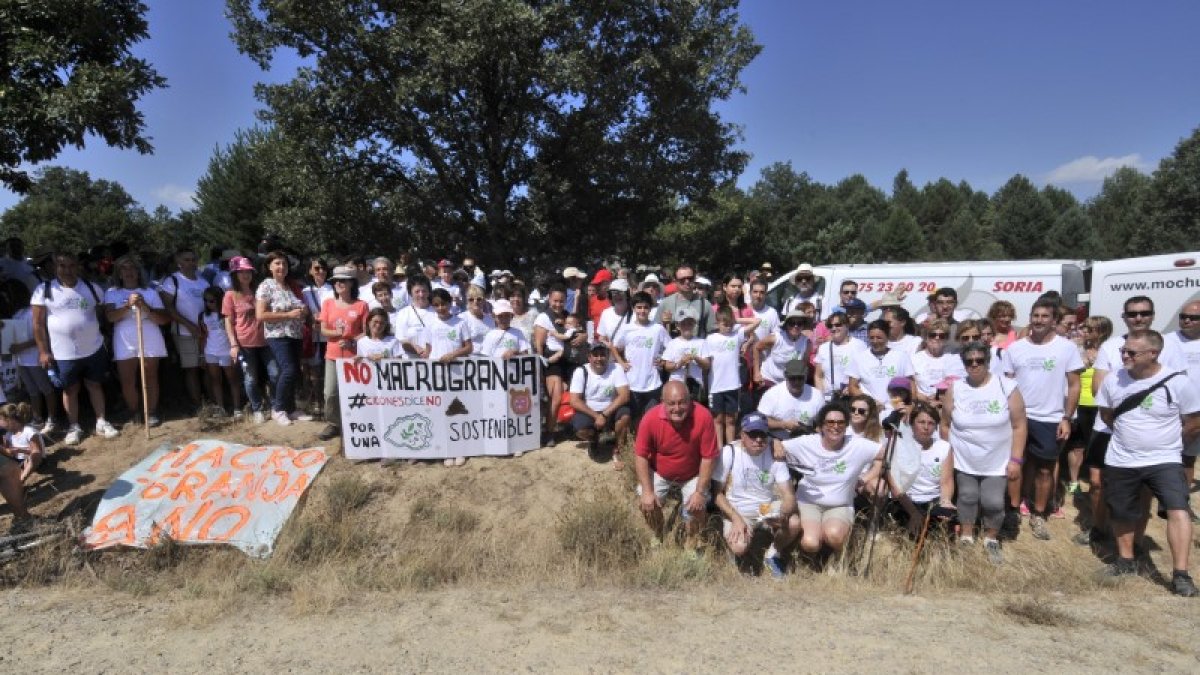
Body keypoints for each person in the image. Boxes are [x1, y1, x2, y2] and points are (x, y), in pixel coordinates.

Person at [1096, 329, 1199, 597]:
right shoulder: (1113, 380)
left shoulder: (1178, 382)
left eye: (1131, 353)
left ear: (1153, 353)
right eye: (1123, 351)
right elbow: (1106, 414)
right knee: (1121, 511)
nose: (1124, 357)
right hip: (1121, 459)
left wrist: (1170, 443)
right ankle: (1126, 560)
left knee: (1178, 509)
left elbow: (1194, 421)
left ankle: (1181, 575)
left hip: (1165, 460)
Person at [1000, 298, 1084, 541]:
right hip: (1018, 418)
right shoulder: (1015, 349)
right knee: (1014, 466)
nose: (1039, 320)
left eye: (1045, 316)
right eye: (1035, 315)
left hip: (1051, 418)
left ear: (1054, 320)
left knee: (1045, 470)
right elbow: (1006, 384)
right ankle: (1013, 510)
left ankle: (1038, 514)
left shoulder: (1066, 348)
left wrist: (1066, 417)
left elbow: (1074, 385)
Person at [943, 342, 1026, 563]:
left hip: (997, 460)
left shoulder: (1006, 386)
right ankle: (966, 536)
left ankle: (991, 538)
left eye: (979, 360)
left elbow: (1019, 426)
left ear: (988, 362)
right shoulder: (956, 388)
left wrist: (1016, 459)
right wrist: (947, 455)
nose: (974, 365)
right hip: (964, 458)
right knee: (967, 497)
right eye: (969, 361)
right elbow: (945, 424)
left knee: (993, 502)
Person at [31, 252, 120, 445]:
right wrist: (43, 351)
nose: (67, 270)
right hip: (63, 353)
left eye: (72, 265)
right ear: (55, 267)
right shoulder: (43, 290)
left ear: (78, 266)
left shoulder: (92, 288)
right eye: (62, 266)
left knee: (95, 385)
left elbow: (101, 314)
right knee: (70, 390)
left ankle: (101, 421)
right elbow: (37, 324)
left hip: (93, 348)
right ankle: (74, 427)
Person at [777, 402, 884, 559]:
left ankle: (838, 557)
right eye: (830, 422)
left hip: (840, 505)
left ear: (846, 426)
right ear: (821, 426)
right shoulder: (807, 442)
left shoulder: (856, 444)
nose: (836, 426)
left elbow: (885, 456)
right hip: (808, 502)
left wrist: (865, 478)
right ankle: (810, 552)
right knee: (810, 543)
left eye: (840, 422)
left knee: (834, 535)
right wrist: (775, 443)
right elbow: (777, 446)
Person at [634, 380, 719, 550]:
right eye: (671, 403)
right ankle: (658, 532)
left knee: (697, 507)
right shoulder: (650, 418)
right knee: (648, 504)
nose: (677, 408)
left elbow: (708, 457)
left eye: (682, 402)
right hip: (660, 471)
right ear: (662, 402)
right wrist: (648, 491)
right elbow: (641, 455)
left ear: (690, 400)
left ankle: (692, 541)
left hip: (693, 473)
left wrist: (699, 492)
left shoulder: (703, 416)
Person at [713, 412, 800, 577]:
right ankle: (737, 554)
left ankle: (773, 553)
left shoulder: (774, 454)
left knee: (793, 523)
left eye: (762, 434)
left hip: (765, 507)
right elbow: (717, 493)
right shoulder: (729, 452)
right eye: (753, 434)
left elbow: (788, 494)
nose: (758, 439)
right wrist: (736, 518)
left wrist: (784, 513)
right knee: (739, 547)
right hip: (738, 509)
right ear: (742, 435)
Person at [103, 255, 171, 427]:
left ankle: (151, 412)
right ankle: (134, 412)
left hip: (149, 335)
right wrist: (127, 305)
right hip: (124, 338)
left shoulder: (150, 292)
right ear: (118, 273)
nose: (129, 272)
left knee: (150, 376)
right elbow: (110, 318)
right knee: (127, 379)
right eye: (124, 268)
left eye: (132, 268)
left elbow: (163, 319)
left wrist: (145, 307)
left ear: (139, 272)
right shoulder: (112, 293)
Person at [255, 251, 312, 427]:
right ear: (269, 267)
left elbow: (301, 309)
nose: (282, 267)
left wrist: (303, 311)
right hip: (278, 335)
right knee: (289, 370)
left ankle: (290, 408)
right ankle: (278, 409)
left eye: (284, 264)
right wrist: (288, 314)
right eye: (277, 263)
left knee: (294, 372)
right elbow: (260, 315)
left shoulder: (290, 286)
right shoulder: (266, 286)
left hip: (295, 334)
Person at [317, 265, 368, 441]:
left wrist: (352, 341)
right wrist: (336, 333)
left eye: (343, 280)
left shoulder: (362, 305)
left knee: (355, 392)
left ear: (352, 283)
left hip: (355, 358)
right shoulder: (328, 303)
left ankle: (355, 422)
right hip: (332, 356)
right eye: (336, 281)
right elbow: (323, 329)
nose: (339, 283)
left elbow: (366, 332)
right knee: (330, 393)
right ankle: (334, 424)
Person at [893, 402, 956, 537]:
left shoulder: (943, 447)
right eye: (921, 422)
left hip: (933, 500)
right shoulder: (900, 446)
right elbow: (897, 486)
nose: (926, 427)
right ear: (912, 424)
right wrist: (913, 513)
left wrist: (945, 501)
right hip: (907, 500)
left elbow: (946, 481)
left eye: (931, 423)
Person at [425, 288, 473, 466]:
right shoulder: (430, 324)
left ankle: (459, 448)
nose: (440, 308)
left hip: (457, 372)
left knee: (457, 410)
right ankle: (446, 449)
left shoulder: (460, 323)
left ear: (450, 303)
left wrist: (453, 355)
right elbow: (429, 350)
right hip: (437, 374)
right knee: (440, 411)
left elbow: (469, 347)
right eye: (436, 305)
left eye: (443, 304)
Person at [159, 247, 209, 412]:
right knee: (191, 368)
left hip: (205, 333)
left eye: (193, 259)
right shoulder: (172, 281)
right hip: (184, 332)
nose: (191, 263)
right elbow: (168, 307)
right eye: (186, 260)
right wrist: (188, 325)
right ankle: (198, 405)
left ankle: (212, 402)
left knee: (208, 366)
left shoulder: (203, 282)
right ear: (178, 262)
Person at [223, 256, 273, 424]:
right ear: (234, 275)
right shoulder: (230, 295)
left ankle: (275, 406)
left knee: (275, 373)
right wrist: (233, 344)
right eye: (241, 272)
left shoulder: (259, 291)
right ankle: (257, 408)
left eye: (248, 271)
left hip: (266, 340)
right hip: (245, 343)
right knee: (250, 378)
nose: (246, 275)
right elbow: (228, 321)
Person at [534, 284, 584, 447]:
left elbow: (581, 330)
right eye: (555, 301)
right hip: (551, 360)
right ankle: (549, 432)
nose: (558, 304)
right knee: (555, 397)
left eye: (561, 301)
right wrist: (542, 367)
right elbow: (539, 345)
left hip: (569, 360)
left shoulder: (568, 316)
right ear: (549, 299)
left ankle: (573, 426)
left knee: (575, 394)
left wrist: (583, 336)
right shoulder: (543, 318)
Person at [569, 342, 632, 466]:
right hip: (590, 411)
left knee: (625, 416)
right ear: (589, 357)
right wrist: (596, 416)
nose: (599, 358)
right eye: (595, 355)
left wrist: (604, 415)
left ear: (608, 356)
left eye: (602, 355)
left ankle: (618, 449)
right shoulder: (581, 371)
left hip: (611, 409)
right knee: (580, 429)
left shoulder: (616, 368)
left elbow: (624, 395)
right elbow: (574, 401)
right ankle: (594, 440)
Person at [8, 288, 61, 433]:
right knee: (32, 391)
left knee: (46, 389)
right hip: (21, 359)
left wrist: (21, 346)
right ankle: (37, 419)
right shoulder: (17, 314)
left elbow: (41, 336)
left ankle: (52, 419)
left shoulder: (33, 312)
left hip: (35, 358)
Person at [705, 306, 760, 446]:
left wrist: (736, 320)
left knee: (731, 420)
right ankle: (719, 448)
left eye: (730, 324)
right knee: (717, 419)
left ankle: (730, 447)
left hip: (733, 385)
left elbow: (757, 321)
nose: (728, 327)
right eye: (725, 324)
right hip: (715, 386)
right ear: (717, 323)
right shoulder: (710, 338)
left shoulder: (737, 335)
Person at [612, 292, 670, 423]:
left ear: (650, 309)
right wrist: (621, 362)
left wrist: (663, 360)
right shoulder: (626, 329)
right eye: (639, 307)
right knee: (633, 418)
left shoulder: (658, 329)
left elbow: (671, 347)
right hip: (632, 382)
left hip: (653, 382)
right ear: (633, 308)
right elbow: (614, 347)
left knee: (652, 419)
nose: (642, 311)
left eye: (645, 307)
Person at [1163, 300, 1200, 494]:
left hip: (1197, 410)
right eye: (1183, 317)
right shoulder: (1167, 341)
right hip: (1173, 407)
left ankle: (1182, 497)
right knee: (1171, 454)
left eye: (1193, 318)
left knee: (1189, 457)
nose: (1187, 321)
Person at [847, 319, 914, 416]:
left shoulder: (901, 356)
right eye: (871, 338)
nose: (875, 341)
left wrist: (911, 405)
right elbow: (852, 387)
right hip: (869, 411)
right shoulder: (859, 358)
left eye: (879, 338)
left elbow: (911, 384)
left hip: (896, 411)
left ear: (887, 336)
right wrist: (871, 402)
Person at [198, 286, 241, 419]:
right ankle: (220, 408)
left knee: (232, 379)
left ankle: (237, 408)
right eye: (206, 300)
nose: (208, 304)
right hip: (211, 351)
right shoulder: (203, 316)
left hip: (226, 351)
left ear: (219, 299)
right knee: (215, 380)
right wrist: (201, 354)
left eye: (211, 301)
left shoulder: (227, 314)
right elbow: (203, 336)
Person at [300, 257, 334, 419]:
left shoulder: (333, 289)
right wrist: (310, 319)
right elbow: (302, 312)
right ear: (310, 271)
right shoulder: (305, 292)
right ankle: (316, 402)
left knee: (329, 371)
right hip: (313, 336)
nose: (320, 271)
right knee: (314, 372)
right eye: (316, 268)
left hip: (329, 336)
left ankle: (330, 404)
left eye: (323, 268)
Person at [757, 360, 823, 439]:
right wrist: (783, 425)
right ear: (785, 376)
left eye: (800, 378)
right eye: (792, 378)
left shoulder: (816, 395)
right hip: (778, 439)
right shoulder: (772, 394)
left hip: (806, 440)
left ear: (806, 376)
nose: (796, 382)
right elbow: (760, 420)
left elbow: (822, 422)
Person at [910, 319, 966, 406]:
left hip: (946, 404)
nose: (937, 338)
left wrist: (939, 397)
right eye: (933, 335)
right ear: (926, 337)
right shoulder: (914, 359)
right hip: (922, 405)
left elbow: (959, 385)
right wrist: (919, 396)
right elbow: (909, 384)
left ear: (946, 339)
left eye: (942, 336)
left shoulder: (954, 358)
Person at [660, 307, 710, 403]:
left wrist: (695, 357)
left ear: (694, 325)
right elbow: (667, 366)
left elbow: (707, 365)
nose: (686, 326)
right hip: (676, 384)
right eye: (683, 324)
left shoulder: (701, 342)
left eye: (690, 323)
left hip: (695, 384)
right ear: (678, 326)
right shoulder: (672, 343)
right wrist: (680, 363)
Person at [755, 309, 811, 389]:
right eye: (792, 323)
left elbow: (804, 365)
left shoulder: (806, 342)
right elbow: (756, 348)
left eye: (799, 324)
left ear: (803, 326)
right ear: (786, 325)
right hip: (769, 379)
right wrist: (756, 373)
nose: (796, 326)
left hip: (790, 383)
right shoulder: (776, 338)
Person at [813, 312, 862, 402]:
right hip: (829, 399)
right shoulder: (823, 348)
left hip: (851, 398)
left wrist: (852, 388)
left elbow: (864, 374)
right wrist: (821, 396)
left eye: (838, 325)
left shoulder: (859, 345)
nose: (834, 328)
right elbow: (818, 376)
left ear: (847, 325)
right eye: (830, 326)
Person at [658, 264, 716, 337]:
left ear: (694, 279)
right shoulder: (665, 303)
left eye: (690, 278)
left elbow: (712, 333)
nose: (687, 282)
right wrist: (663, 324)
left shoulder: (705, 304)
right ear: (675, 281)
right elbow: (656, 333)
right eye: (682, 280)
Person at [1, 402, 46, 484]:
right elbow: (8, 452)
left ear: (10, 420)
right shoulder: (8, 434)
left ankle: (21, 479)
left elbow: (37, 451)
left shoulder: (29, 432)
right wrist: (7, 451)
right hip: (18, 460)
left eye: (0, 419)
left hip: (33, 459)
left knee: (33, 457)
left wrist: (20, 450)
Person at [393, 275, 434, 358]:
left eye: (424, 291)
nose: (421, 295)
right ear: (410, 293)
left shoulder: (437, 311)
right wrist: (417, 349)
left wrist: (429, 350)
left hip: (435, 359)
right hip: (411, 360)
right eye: (417, 291)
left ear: (429, 292)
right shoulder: (403, 313)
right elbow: (401, 339)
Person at [461, 285, 495, 354]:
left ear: (484, 300)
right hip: (470, 357)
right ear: (467, 301)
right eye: (471, 299)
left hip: (489, 356)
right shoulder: (462, 318)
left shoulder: (490, 319)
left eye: (479, 299)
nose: (475, 302)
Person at [748, 277, 779, 342]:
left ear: (766, 294)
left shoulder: (772, 312)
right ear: (750, 293)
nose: (758, 295)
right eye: (755, 292)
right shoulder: (743, 310)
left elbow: (776, 336)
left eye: (762, 292)